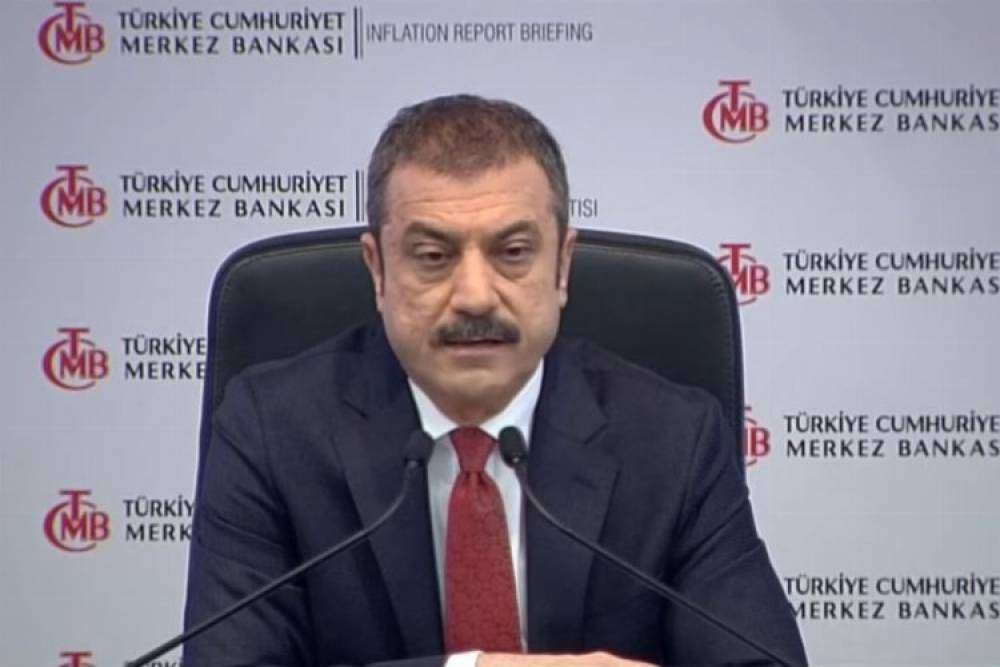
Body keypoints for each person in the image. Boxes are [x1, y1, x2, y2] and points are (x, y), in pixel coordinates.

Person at [183, 94, 808, 666]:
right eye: (433, 257)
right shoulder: (271, 430)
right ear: (377, 270)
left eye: (513, 253)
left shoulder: (674, 439)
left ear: (562, 265)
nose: (476, 296)